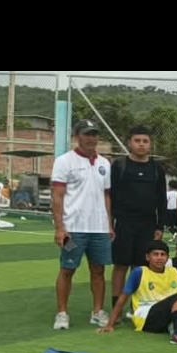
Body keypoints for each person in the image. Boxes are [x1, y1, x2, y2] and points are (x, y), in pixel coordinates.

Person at [51, 121, 114, 331]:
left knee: (98, 270)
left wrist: (109, 224)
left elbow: (106, 196)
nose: (91, 138)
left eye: (94, 134)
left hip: (99, 229)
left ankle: (97, 312)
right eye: (87, 134)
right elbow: (57, 196)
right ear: (77, 136)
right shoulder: (64, 161)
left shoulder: (105, 163)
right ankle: (62, 313)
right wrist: (59, 228)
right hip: (73, 230)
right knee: (67, 269)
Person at [108, 126, 170, 307]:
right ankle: (116, 307)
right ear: (129, 143)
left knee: (140, 266)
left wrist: (160, 226)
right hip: (123, 223)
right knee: (120, 265)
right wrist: (110, 224)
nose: (141, 144)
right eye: (137, 141)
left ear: (150, 144)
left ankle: (137, 306)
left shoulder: (157, 169)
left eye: (145, 141)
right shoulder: (119, 166)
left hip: (147, 225)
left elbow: (162, 200)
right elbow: (110, 196)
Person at [100, 237, 177, 343]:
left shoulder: (173, 271)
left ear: (167, 258)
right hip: (146, 318)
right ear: (147, 257)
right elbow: (123, 298)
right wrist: (110, 324)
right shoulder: (139, 272)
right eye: (155, 254)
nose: (159, 258)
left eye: (162, 255)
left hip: (166, 314)